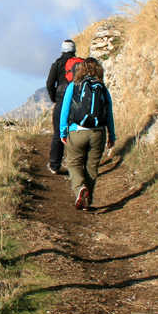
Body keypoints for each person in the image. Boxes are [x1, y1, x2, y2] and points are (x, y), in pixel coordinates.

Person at [59, 57, 115, 210]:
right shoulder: (102, 88)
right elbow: (109, 113)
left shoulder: (73, 86)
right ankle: (87, 201)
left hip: (76, 131)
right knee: (91, 168)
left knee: (73, 163)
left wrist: (63, 131)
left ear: (80, 69)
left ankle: (80, 189)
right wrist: (112, 135)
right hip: (98, 133)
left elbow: (64, 110)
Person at [45, 40, 83, 174]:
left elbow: (49, 84)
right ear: (74, 50)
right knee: (77, 133)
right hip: (78, 103)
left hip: (61, 102)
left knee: (58, 134)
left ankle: (54, 165)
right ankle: (77, 165)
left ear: (62, 50)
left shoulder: (57, 64)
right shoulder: (81, 63)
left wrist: (54, 98)